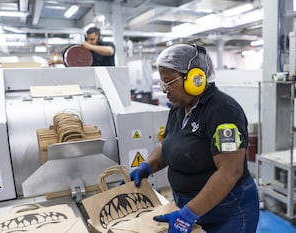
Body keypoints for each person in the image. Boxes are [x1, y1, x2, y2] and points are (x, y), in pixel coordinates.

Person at [129, 44, 259, 233]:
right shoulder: (179, 108)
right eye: (162, 83)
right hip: (195, 208)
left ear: (195, 79)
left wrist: (188, 214)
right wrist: (147, 166)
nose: (164, 89)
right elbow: (170, 143)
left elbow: (230, 171)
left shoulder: (223, 111)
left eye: (168, 82)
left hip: (227, 212)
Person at [48, 26, 115, 66]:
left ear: (99, 38)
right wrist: (59, 61)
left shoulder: (108, 44)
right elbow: (77, 61)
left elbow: (110, 51)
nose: (89, 42)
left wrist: (90, 47)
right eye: (87, 39)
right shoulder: (87, 50)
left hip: (110, 75)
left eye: (92, 39)